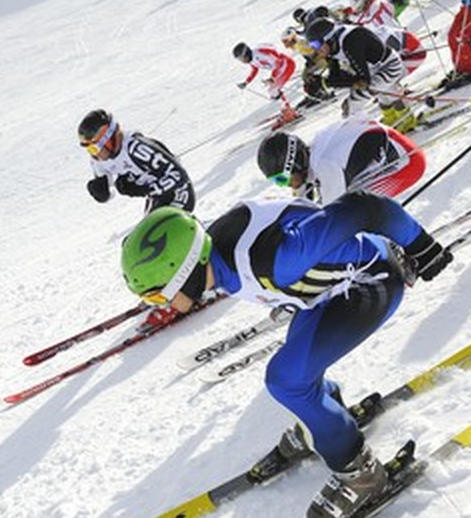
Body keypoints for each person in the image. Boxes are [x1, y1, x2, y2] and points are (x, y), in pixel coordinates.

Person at [119, 195, 452, 518]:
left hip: (371, 282)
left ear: (185, 273)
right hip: (325, 293)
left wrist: (421, 245)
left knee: (287, 380)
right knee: (297, 371)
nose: (161, 305)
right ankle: (323, 419)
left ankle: (362, 476)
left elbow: (365, 206)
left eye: (158, 296)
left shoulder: (277, 260)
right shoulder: (215, 255)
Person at [257, 118, 425, 204]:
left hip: (408, 162)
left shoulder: (325, 166)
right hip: (394, 148)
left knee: (354, 208)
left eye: (282, 179)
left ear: (296, 164)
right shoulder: (313, 154)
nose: (285, 185)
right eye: (276, 182)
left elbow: (332, 212)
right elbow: (304, 197)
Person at [303, 17, 416, 131]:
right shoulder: (332, 46)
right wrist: (321, 82)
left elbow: (363, 82)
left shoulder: (351, 42)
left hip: (388, 66)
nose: (315, 49)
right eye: (311, 45)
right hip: (374, 69)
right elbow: (336, 77)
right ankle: (392, 117)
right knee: (383, 95)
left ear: (329, 38)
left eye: (316, 44)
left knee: (352, 104)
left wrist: (327, 83)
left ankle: (403, 120)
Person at [78, 109, 195, 215]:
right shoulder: (98, 159)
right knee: (145, 232)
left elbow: (179, 175)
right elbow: (108, 191)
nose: (95, 154)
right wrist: (101, 193)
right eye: (89, 149)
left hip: (178, 192)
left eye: (95, 147)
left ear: (109, 138)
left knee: (161, 230)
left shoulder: (136, 148)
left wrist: (144, 189)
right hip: (157, 198)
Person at [234, 42, 300, 124]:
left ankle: (288, 111)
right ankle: (286, 109)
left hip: (287, 65)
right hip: (281, 68)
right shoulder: (252, 60)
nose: (242, 61)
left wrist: (273, 77)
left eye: (242, 58)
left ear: (246, 53)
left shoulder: (260, 53)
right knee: (273, 91)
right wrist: (246, 82)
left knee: (273, 90)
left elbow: (277, 61)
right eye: (239, 60)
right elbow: (254, 69)